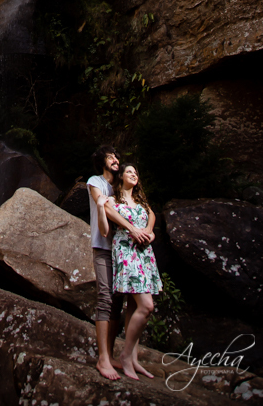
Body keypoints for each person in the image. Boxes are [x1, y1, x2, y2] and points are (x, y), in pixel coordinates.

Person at [87, 145, 150, 380]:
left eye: (116, 157)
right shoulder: (95, 181)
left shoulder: (118, 189)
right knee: (104, 297)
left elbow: (144, 209)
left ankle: (112, 354)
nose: (115, 159)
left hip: (120, 251)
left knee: (116, 302)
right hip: (102, 248)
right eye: (110, 156)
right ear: (101, 160)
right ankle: (103, 358)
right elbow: (98, 200)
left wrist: (147, 230)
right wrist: (132, 228)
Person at [103, 163, 162, 380]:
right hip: (127, 250)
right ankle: (126, 356)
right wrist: (132, 229)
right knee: (146, 306)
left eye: (136, 172)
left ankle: (134, 360)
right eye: (129, 172)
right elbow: (108, 211)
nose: (134, 174)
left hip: (144, 253)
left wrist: (149, 232)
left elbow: (152, 215)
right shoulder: (113, 199)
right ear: (121, 178)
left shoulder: (140, 202)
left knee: (134, 306)